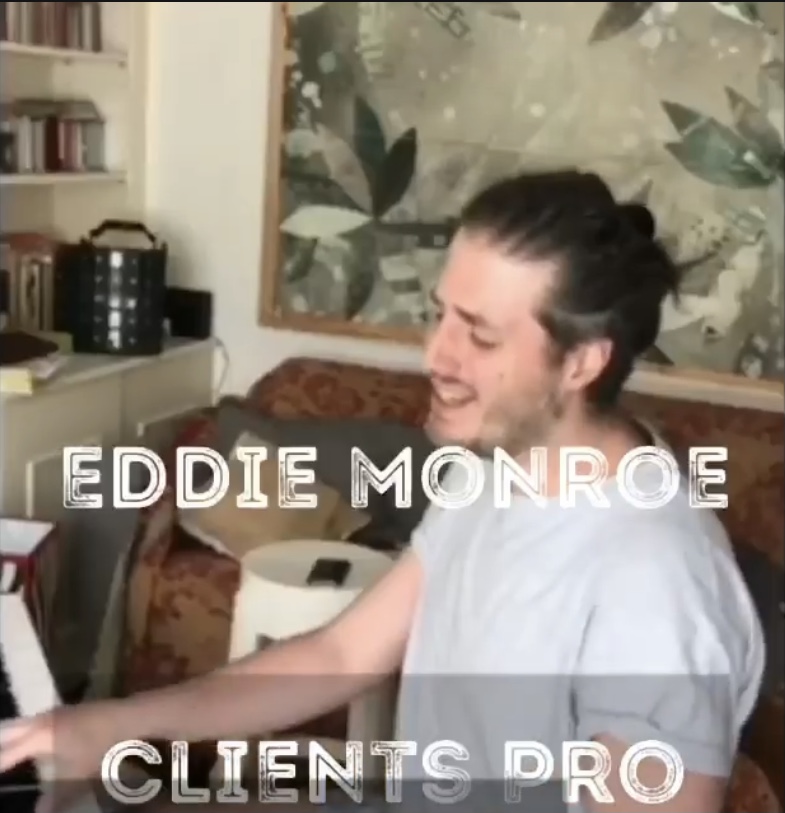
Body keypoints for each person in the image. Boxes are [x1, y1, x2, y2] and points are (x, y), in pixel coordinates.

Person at [0, 170, 765, 812]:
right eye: (439, 315)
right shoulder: (493, 468)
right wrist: (114, 724)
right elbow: (342, 650)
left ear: (580, 363)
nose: (435, 354)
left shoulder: (658, 586)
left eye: (480, 334)